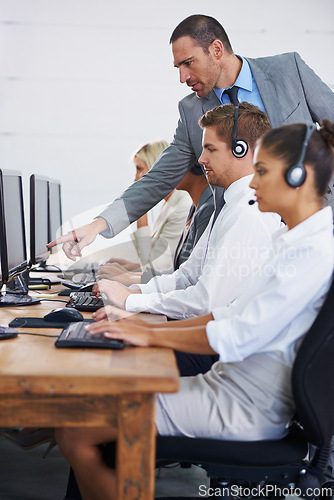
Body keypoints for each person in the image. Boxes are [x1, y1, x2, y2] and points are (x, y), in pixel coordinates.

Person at [55, 119, 334, 500]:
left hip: (243, 407)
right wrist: (143, 327)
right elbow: (227, 315)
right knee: (90, 415)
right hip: (230, 386)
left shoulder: (312, 252)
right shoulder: (292, 240)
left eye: (263, 171)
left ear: (298, 176)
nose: (252, 182)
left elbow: (235, 333)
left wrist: (146, 329)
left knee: (77, 429)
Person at [47, 14, 334, 260]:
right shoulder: (190, 110)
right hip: (245, 245)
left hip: (317, 224)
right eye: (178, 68)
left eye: (188, 63)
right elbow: (158, 178)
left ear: (217, 50)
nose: (182, 77)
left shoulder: (288, 70)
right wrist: (96, 226)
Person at [94, 103, 282, 327]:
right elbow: (188, 276)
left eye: (210, 149)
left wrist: (132, 301)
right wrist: (135, 290)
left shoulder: (248, 213)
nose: (201, 160)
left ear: (240, 149)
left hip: (221, 349)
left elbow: (206, 301)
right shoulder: (230, 205)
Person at [98, 162, 214, 286]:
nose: (137, 178)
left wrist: (129, 278)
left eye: (140, 169)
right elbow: (179, 271)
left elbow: (188, 280)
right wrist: (131, 270)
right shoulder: (192, 207)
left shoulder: (200, 208)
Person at [103, 139, 192, 278]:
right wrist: (132, 267)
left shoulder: (181, 207)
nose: (135, 179)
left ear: (156, 168)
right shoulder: (169, 202)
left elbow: (154, 267)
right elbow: (154, 261)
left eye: (139, 169)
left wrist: (140, 211)